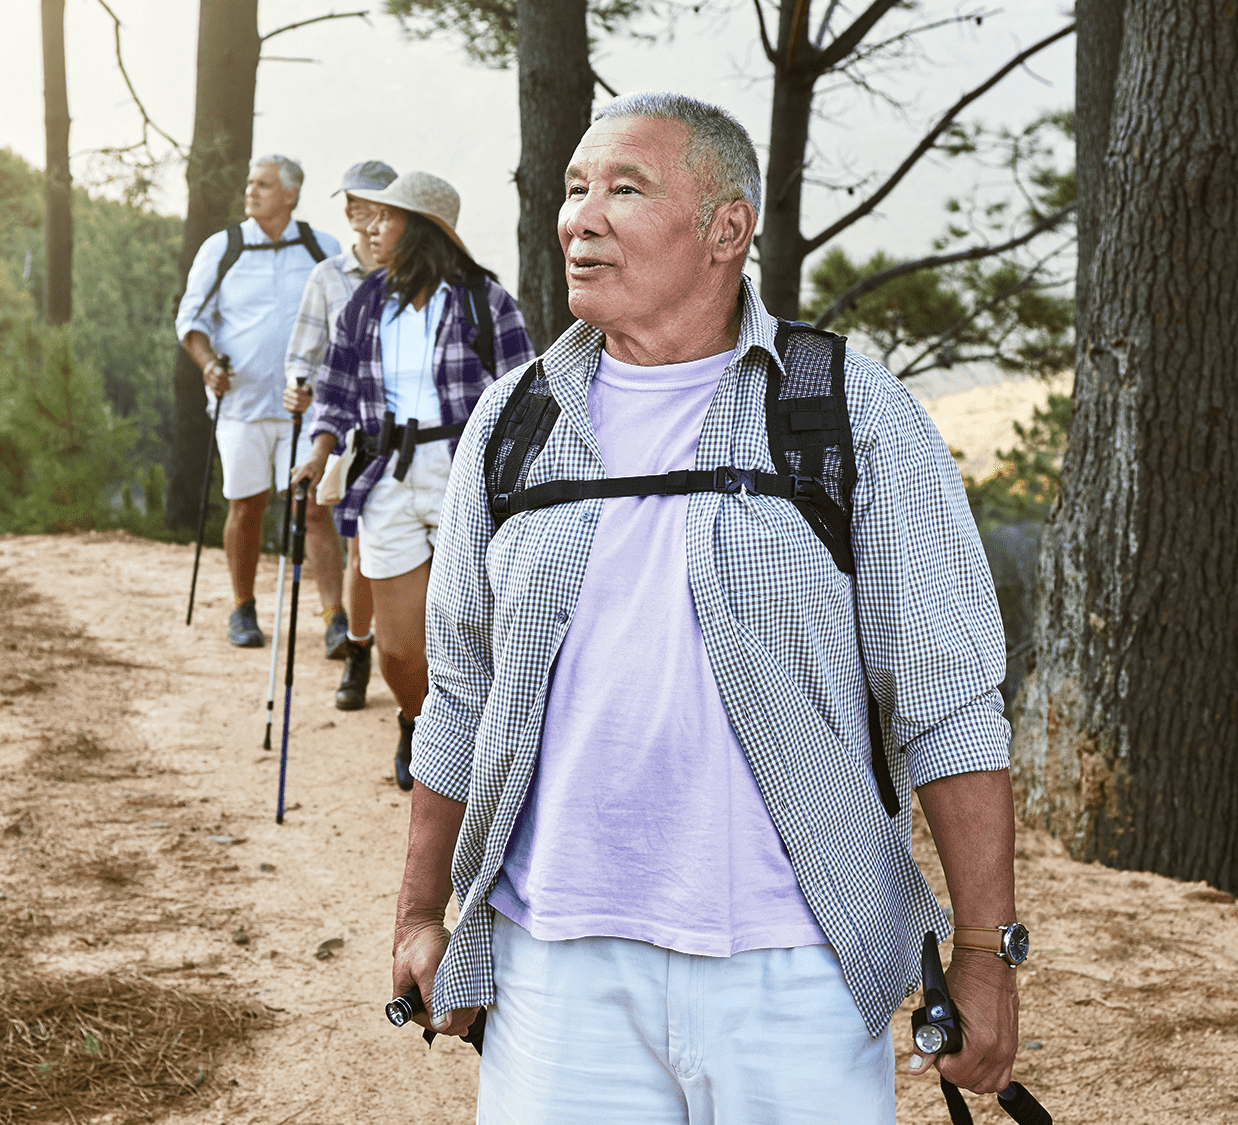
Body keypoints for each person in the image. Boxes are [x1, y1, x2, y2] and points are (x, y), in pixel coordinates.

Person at [391, 93, 1024, 1123]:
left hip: (796, 973)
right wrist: (419, 911)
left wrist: (986, 955)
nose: (579, 218)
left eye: (624, 190)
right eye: (573, 189)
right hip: (554, 969)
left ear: (724, 230)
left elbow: (948, 704)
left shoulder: (850, 414)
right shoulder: (511, 422)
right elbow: (459, 695)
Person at [295, 171, 533, 788]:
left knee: (470, 626)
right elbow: (335, 390)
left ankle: (460, 754)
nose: (371, 228)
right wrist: (320, 452)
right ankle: (417, 721)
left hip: (464, 469)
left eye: (387, 218)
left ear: (421, 228)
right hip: (386, 471)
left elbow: (525, 400)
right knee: (399, 648)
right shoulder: (366, 302)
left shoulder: (487, 301)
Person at [176, 155, 341, 647]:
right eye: (250, 182)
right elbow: (191, 321)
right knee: (246, 506)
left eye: (263, 184)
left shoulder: (320, 248)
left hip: (304, 408)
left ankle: (335, 618)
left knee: (312, 509)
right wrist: (208, 364)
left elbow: (344, 326)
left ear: (290, 195)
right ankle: (242, 610)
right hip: (241, 405)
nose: (251, 191)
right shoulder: (223, 248)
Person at [282, 159, 394, 709]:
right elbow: (303, 355)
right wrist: (296, 388)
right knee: (330, 524)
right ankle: (343, 629)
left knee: (371, 546)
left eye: (364, 198)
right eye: (347, 199)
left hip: (398, 432)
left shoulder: (418, 276)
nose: (352, 208)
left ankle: (372, 645)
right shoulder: (327, 276)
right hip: (339, 419)